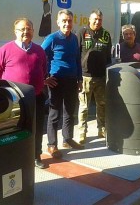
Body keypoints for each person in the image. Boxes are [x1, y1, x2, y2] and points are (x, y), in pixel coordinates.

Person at [0, 18, 47, 169]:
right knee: (14, 128)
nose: (25, 32)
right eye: (22, 29)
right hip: (14, 99)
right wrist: (7, 90)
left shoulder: (39, 50)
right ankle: (14, 157)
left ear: (33, 31)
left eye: (28, 29)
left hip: (36, 97)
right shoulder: (5, 50)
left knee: (36, 128)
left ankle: (36, 156)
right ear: (15, 32)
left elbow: (44, 70)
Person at [41, 9, 84, 159]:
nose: (67, 23)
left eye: (69, 21)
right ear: (58, 22)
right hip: (56, 81)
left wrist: (79, 79)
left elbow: (77, 60)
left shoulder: (74, 39)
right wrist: (45, 77)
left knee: (69, 112)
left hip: (72, 80)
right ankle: (51, 145)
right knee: (54, 114)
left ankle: (67, 139)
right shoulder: (52, 39)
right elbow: (40, 56)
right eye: (64, 21)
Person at [76, 9, 112, 144]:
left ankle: (101, 129)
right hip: (85, 76)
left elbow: (108, 56)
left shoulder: (106, 34)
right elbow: (76, 54)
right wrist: (78, 75)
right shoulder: (82, 32)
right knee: (84, 106)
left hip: (101, 77)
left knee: (102, 104)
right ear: (89, 19)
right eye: (95, 19)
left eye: (100, 20)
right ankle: (82, 133)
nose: (97, 22)